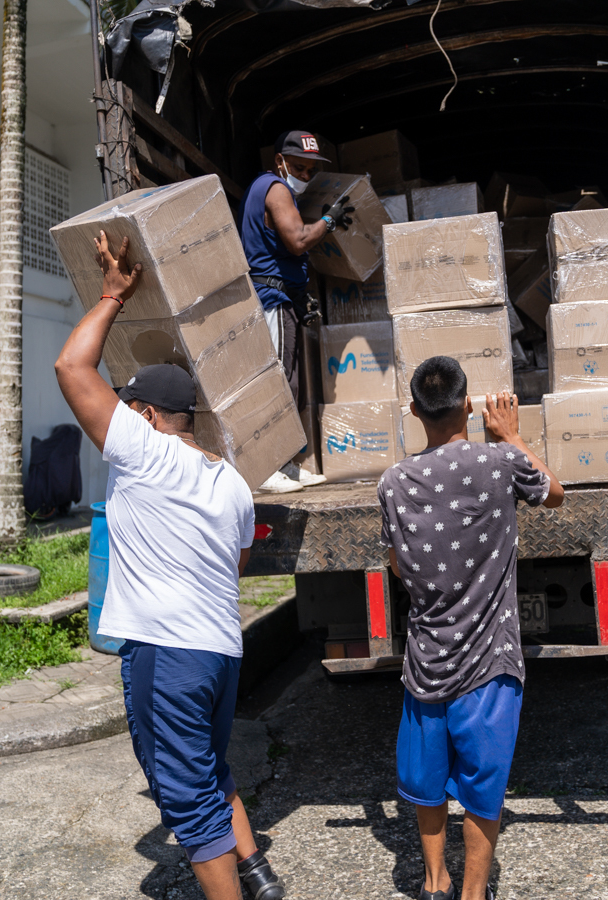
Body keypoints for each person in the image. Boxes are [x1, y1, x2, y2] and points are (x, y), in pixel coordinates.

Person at [54, 232, 285, 900]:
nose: (119, 414)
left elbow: (72, 369)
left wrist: (112, 296)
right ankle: (256, 873)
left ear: (150, 415)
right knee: (207, 768)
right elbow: (236, 563)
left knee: (184, 797)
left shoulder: (145, 452)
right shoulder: (231, 481)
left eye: (130, 406)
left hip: (168, 651)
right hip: (218, 648)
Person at [378, 357, 565, 900]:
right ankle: (473, 892)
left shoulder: (393, 482)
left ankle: (435, 881)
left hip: (426, 665)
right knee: (484, 788)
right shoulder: (502, 462)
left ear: (414, 412)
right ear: (467, 406)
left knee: (425, 782)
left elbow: (394, 562)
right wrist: (511, 435)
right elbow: (554, 493)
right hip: (491, 664)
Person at [241, 129, 352, 493]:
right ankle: (266, 468)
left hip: (282, 298)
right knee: (276, 383)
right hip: (270, 300)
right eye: (299, 168)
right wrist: (330, 221)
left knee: (290, 382)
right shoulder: (274, 188)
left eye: (309, 171)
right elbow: (299, 240)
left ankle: (286, 465)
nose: (304, 176)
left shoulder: (276, 190)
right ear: (280, 161)